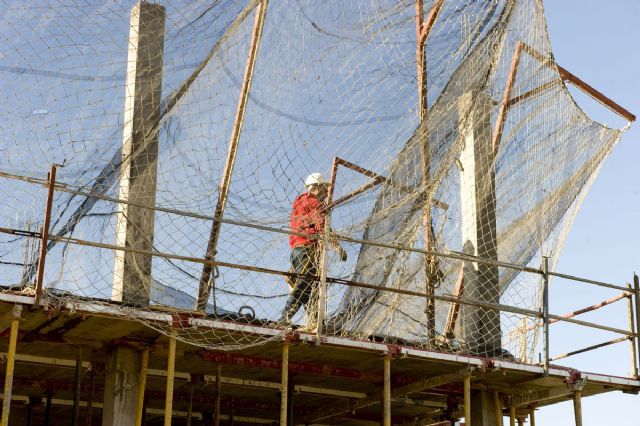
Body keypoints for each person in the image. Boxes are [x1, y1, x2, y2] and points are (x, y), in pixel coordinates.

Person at [279, 172, 347, 326]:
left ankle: (316, 322)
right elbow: (323, 228)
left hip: (297, 251)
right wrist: (338, 248)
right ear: (316, 187)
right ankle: (284, 317)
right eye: (324, 188)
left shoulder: (299, 203)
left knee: (311, 288)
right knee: (305, 284)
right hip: (307, 250)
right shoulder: (314, 203)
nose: (326, 192)